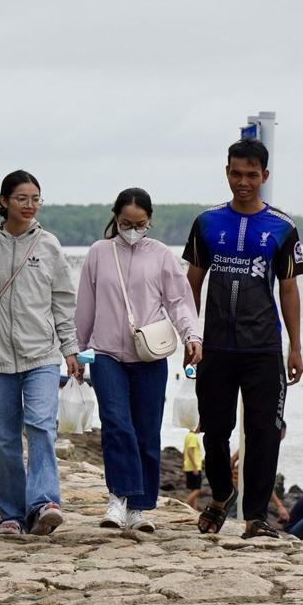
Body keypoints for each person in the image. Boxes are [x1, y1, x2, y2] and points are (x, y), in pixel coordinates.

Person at [182, 138, 303, 538]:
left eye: (252, 175)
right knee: (214, 430)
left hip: (263, 347)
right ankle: (220, 495)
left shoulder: (282, 228)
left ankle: (256, 516)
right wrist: (190, 334)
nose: (243, 181)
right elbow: (192, 284)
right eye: (236, 173)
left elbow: (288, 288)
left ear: (264, 176)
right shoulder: (207, 223)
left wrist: (295, 346)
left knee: (264, 430)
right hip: (216, 346)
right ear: (227, 173)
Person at [0, 170, 78, 536]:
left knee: (41, 426)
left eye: (36, 198)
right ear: (5, 200)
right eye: (22, 198)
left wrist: (70, 348)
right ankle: (10, 513)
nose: (29, 205)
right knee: (3, 438)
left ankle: (43, 504)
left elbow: (63, 302)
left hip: (41, 353)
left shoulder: (50, 246)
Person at [76, 188, 203, 534]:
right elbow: (85, 306)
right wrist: (76, 350)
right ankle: (118, 498)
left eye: (140, 224)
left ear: (150, 221)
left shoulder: (161, 255)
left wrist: (192, 336)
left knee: (147, 431)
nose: (132, 229)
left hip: (150, 355)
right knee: (117, 425)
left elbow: (179, 301)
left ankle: (140, 507)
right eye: (126, 223)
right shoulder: (99, 253)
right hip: (106, 354)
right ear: (115, 218)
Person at [180, 425, 204, 503]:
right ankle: (185, 504)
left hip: (188, 467)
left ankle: (194, 509)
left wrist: (183, 466)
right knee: (197, 490)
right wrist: (195, 467)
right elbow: (189, 452)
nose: (201, 427)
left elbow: (184, 452)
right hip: (194, 467)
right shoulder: (193, 437)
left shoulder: (188, 436)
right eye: (199, 426)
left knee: (193, 489)